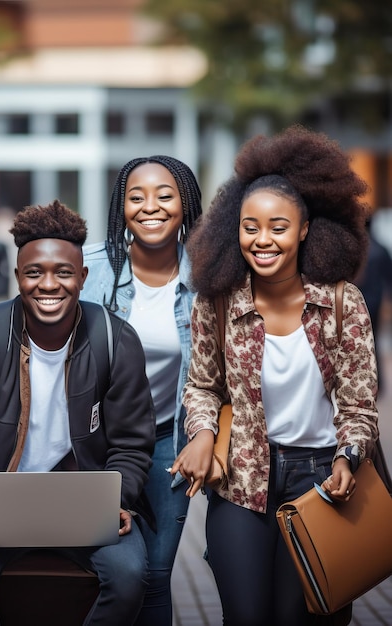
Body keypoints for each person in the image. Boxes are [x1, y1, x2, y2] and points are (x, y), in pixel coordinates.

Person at [170, 125, 379, 626]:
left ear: (305, 229)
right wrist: (201, 433)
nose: (262, 240)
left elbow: (358, 402)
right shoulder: (216, 301)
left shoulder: (341, 302)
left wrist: (349, 456)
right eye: (250, 227)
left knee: (301, 618)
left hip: (320, 479)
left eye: (278, 227)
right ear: (232, 228)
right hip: (242, 478)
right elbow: (202, 383)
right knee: (244, 616)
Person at [0, 199, 155, 626]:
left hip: (83, 504)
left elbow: (131, 442)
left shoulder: (115, 339)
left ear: (82, 277)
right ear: (17, 276)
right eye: (34, 273)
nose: (48, 285)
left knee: (128, 576)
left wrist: (119, 498)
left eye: (63, 272)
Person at [81, 155, 203, 625]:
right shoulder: (90, 270)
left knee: (156, 573)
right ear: (121, 207)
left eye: (164, 195)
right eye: (136, 197)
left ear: (185, 203)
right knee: (109, 571)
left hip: (170, 442)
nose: (150, 207)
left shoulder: (209, 277)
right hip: (99, 444)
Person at [356, 220, 392, 394]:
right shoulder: (380, 248)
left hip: (357, 301)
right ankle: (380, 384)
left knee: (358, 343)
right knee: (374, 340)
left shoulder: (356, 249)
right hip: (375, 300)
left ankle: (366, 384)